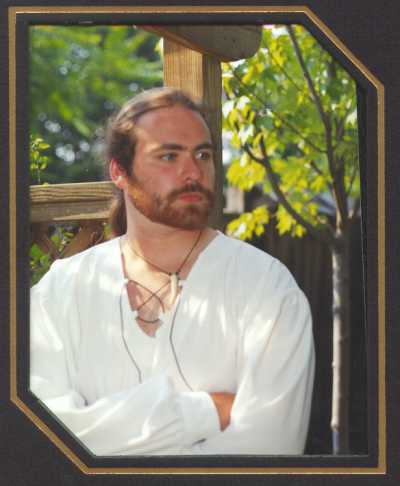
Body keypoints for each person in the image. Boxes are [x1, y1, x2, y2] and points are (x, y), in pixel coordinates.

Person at [30, 87, 315, 456]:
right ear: (120, 171)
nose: (193, 171)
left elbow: (270, 449)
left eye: (203, 154)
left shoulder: (267, 288)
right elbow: (39, 438)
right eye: (168, 156)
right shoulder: (62, 289)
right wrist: (203, 412)